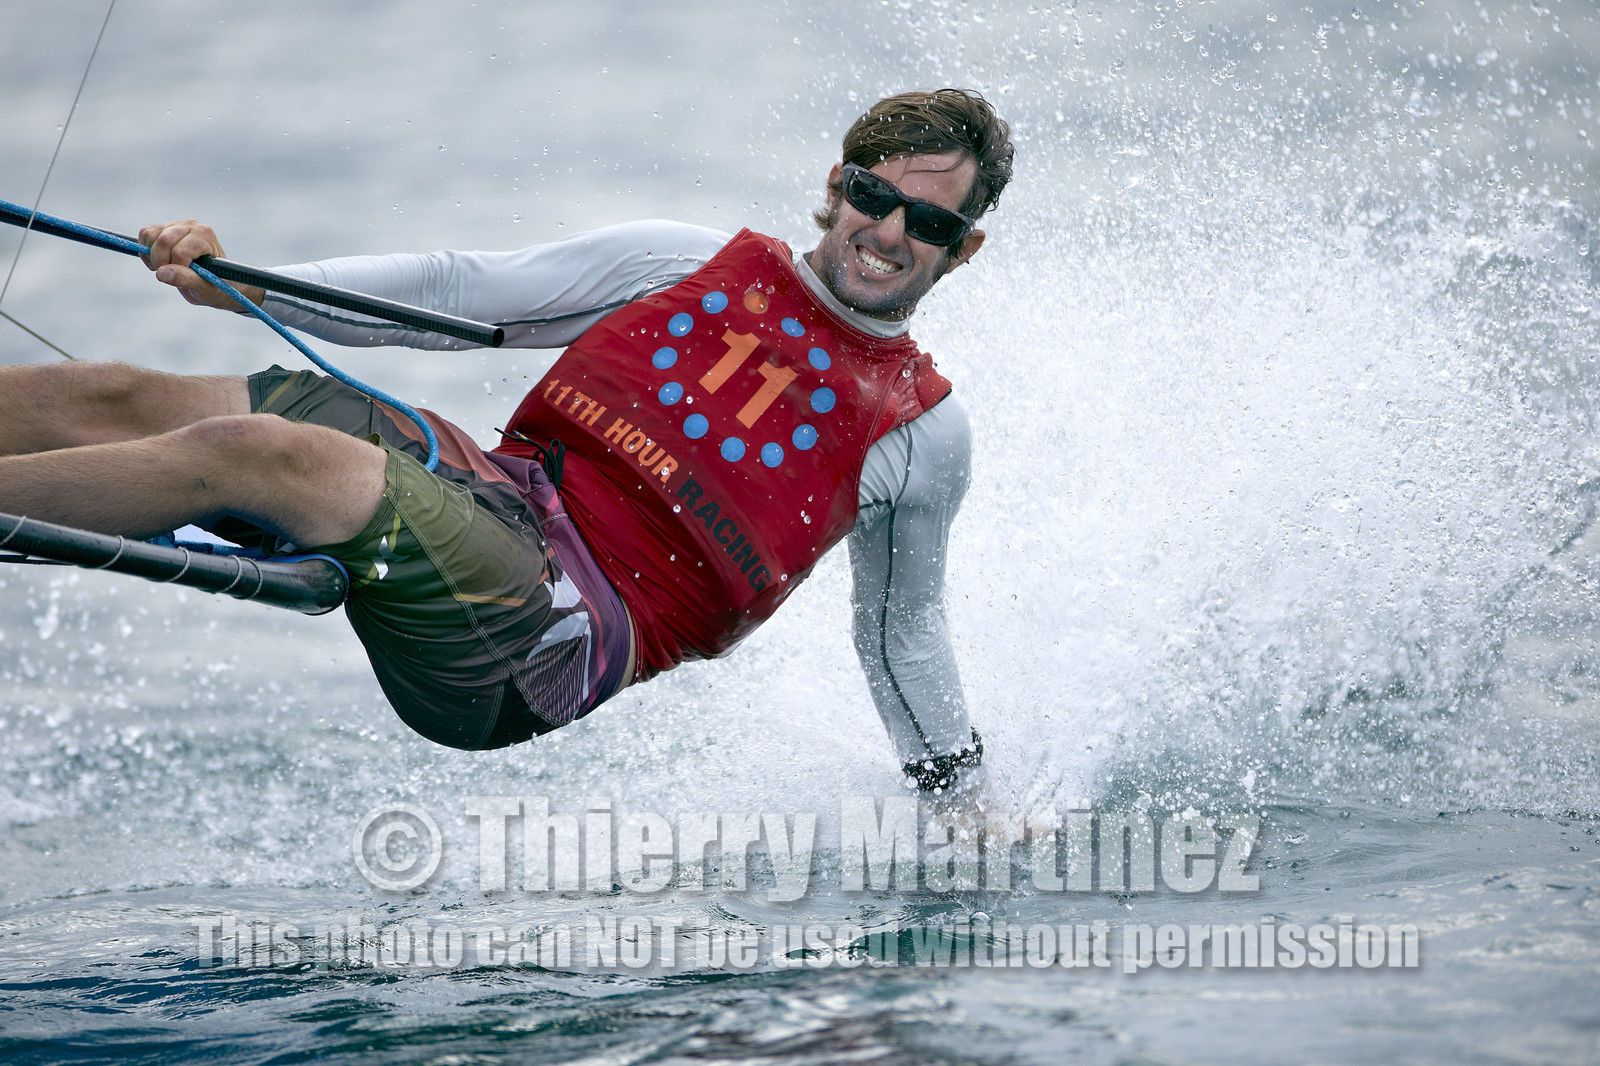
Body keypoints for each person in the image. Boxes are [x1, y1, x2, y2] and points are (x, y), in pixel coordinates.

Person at [0, 89, 1013, 798]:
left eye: (923, 220)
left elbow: (900, 638)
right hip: (501, 499)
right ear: (838, 183)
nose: (885, 233)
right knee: (114, 392)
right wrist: (248, 281)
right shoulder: (681, 261)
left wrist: (962, 804)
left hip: (546, 641)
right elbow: (456, 293)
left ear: (963, 246)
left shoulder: (920, 436)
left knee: (269, 451)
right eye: (872, 197)